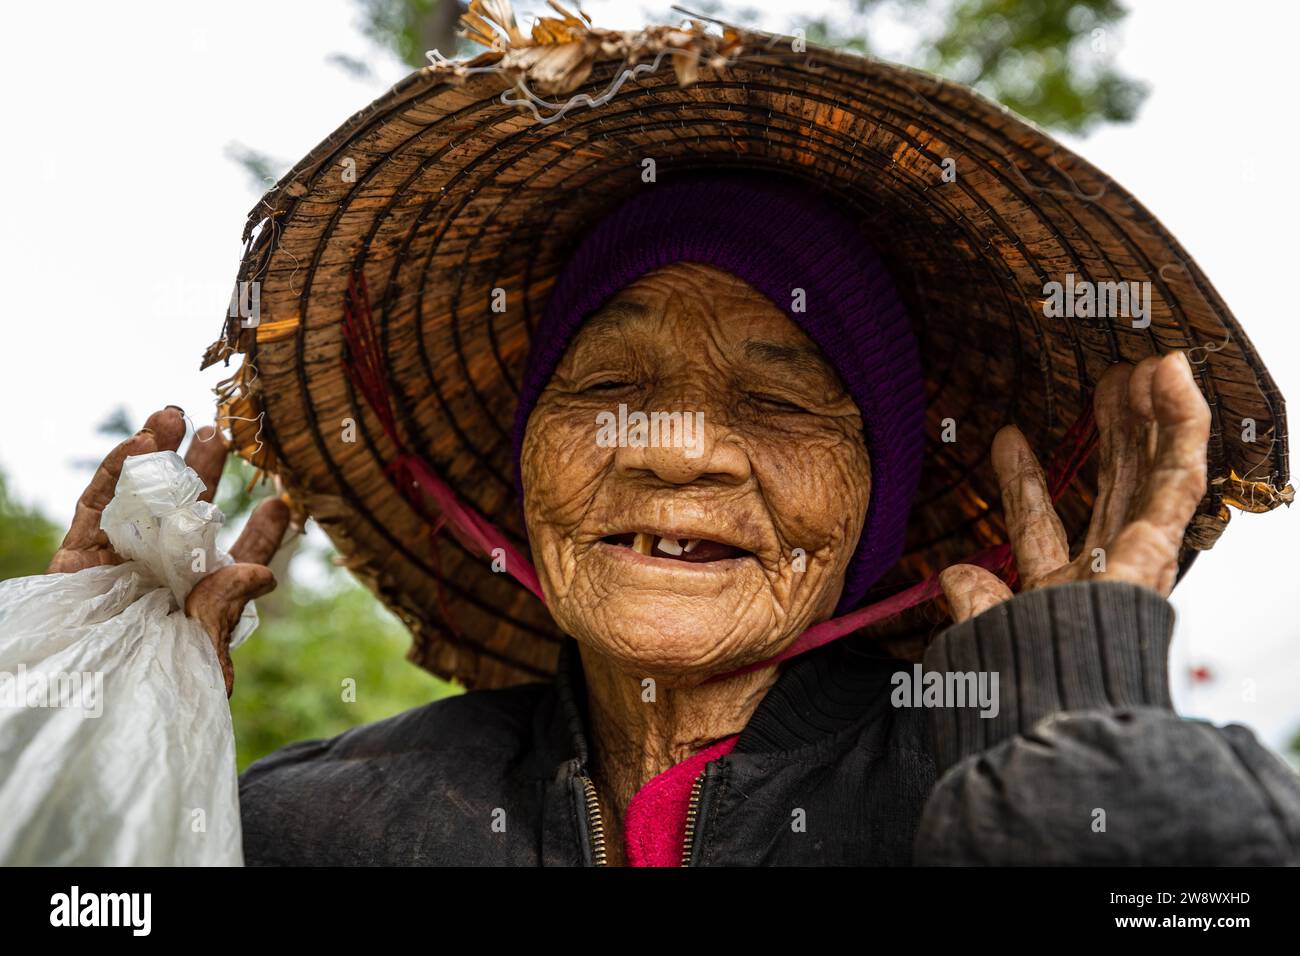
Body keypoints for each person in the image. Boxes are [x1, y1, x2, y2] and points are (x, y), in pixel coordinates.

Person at [54, 8, 1300, 865]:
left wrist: (1076, 726)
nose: (677, 447)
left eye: (778, 396)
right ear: (519, 465)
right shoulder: (321, 823)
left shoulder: (986, 781)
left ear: (879, 496)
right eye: (607, 384)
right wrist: (102, 755)